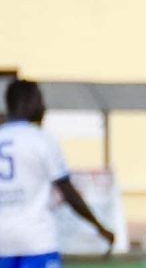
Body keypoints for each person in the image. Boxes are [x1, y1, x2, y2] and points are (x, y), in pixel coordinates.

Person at [0, 80, 115, 268]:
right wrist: (99, 227)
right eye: (39, 99)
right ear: (27, 101)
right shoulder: (41, 140)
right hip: (37, 241)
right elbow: (68, 192)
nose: (43, 106)